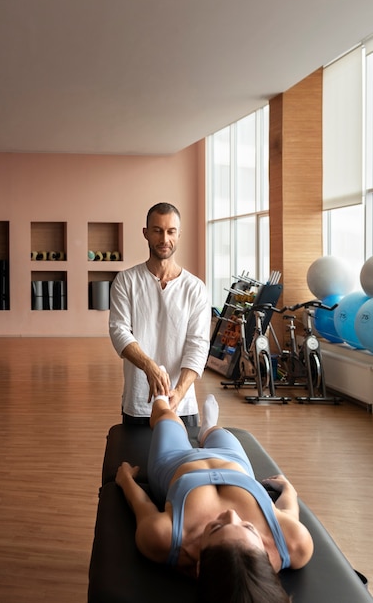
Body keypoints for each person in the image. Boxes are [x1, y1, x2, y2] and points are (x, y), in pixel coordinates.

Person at [115, 394, 314, 602]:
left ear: (200, 566)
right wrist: (289, 490)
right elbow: (288, 512)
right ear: (265, 554)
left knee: (165, 415)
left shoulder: (162, 538)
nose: (231, 515)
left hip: (173, 462)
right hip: (232, 459)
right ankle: (208, 428)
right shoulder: (295, 544)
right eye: (248, 527)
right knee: (217, 432)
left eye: (216, 527)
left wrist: (126, 480)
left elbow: (142, 504)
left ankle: (162, 393)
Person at [109, 202, 211, 426]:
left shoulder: (195, 288)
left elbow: (198, 345)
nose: (165, 239)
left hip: (181, 404)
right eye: (157, 230)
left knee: (181, 462)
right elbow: (119, 332)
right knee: (136, 462)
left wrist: (180, 392)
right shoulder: (126, 281)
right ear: (145, 233)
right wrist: (150, 367)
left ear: (179, 234)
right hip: (138, 404)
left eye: (171, 231)